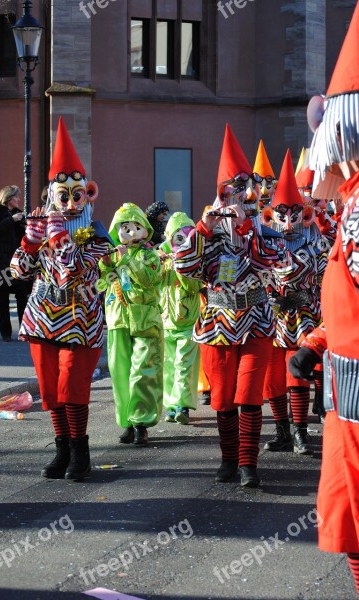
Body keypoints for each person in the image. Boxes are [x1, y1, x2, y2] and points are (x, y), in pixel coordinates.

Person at [289, 2, 359, 593]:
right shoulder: (352, 203)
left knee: (354, 509)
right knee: (347, 509)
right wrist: (317, 341)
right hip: (344, 376)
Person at [174, 124, 284, 488]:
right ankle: (228, 458)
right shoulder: (206, 234)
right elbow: (184, 267)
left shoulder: (263, 227)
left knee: (250, 392)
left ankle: (249, 463)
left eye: (243, 192)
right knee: (222, 397)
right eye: (229, 193)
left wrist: (250, 226)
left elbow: (275, 262)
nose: (235, 200)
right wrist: (204, 229)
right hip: (217, 324)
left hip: (256, 322)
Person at [10, 117, 109, 481]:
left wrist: (57, 238)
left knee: (72, 384)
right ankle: (62, 448)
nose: (69, 203)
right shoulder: (44, 227)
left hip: (81, 319)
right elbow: (19, 272)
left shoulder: (98, 236)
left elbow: (73, 270)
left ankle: (80, 450)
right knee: (50, 387)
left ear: (88, 194)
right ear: (52, 195)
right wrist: (29, 242)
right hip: (42, 317)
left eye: (76, 195)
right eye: (62, 196)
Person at [260, 149, 327, 454]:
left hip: (304, 315)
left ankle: (301, 432)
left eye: (294, 214)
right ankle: (283, 430)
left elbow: (298, 271)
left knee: (296, 373)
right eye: (281, 215)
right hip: (271, 315)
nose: (288, 222)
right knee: (272, 378)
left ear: (304, 213)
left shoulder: (316, 241)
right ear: (270, 215)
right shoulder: (262, 240)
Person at [99, 203, 163, 447]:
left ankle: (141, 423)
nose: (131, 232)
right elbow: (101, 285)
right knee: (120, 372)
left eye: (137, 227)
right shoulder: (114, 254)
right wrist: (105, 264)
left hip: (144, 319)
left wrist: (128, 261)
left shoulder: (151, 255)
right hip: (118, 319)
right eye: (125, 228)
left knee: (142, 373)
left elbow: (149, 279)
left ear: (146, 229)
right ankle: (126, 421)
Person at [159, 212, 202, 425]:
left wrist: (182, 264)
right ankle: (171, 405)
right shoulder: (161, 257)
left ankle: (183, 405)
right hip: (166, 321)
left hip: (188, 321)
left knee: (185, 365)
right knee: (168, 366)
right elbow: (152, 283)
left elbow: (194, 287)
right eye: (176, 236)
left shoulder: (196, 259)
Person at [0, 185, 31, 342]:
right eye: (17, 197)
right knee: (2, 297)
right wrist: (11, 220)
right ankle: (6, 334)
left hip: (16, 263)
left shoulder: (18, 215)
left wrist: (25, 226)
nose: (19, 199)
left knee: (22, 295)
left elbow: (22, 238)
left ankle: (24, 331)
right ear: (9, 198)